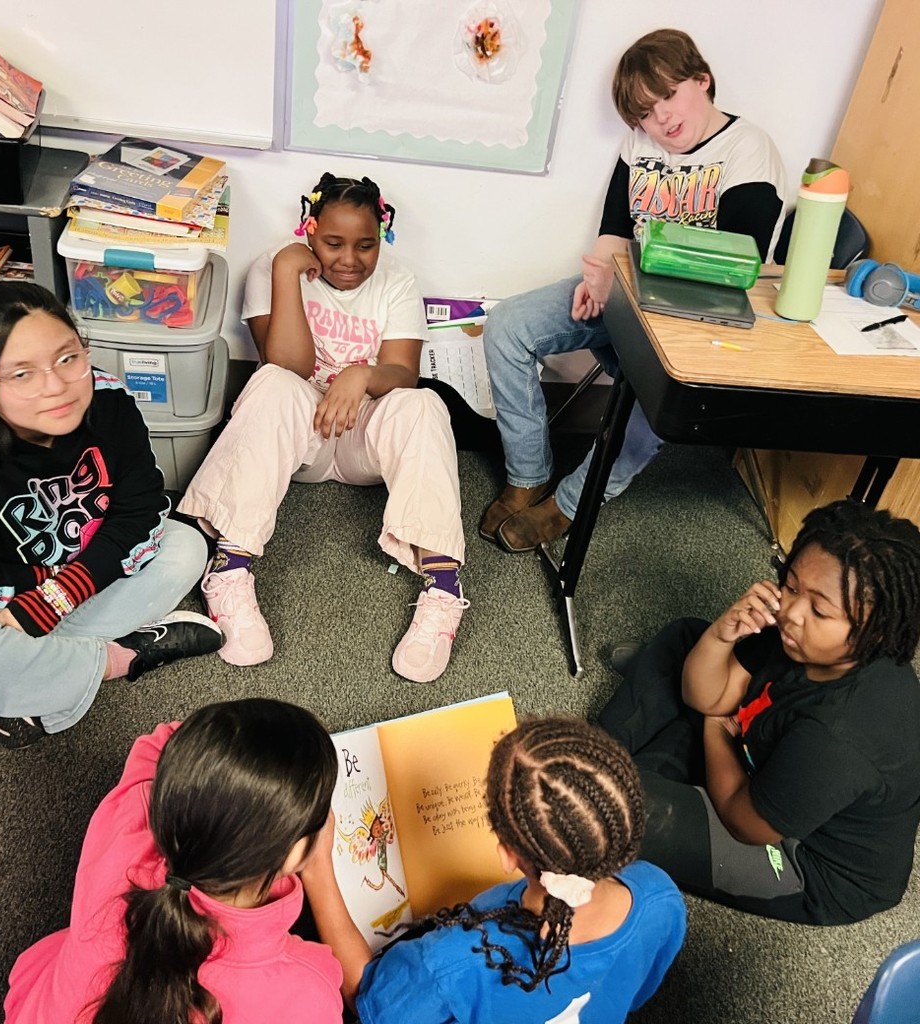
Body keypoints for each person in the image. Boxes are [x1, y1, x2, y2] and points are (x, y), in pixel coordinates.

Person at [481, 28, 787, 551]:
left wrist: (628, 272)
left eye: (667, 96)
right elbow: (615, 227)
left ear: (702, 81)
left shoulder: (748, 147)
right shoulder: (638, 145)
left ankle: (573, 502)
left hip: (694, 321)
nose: (660, 120)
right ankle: (527, 473)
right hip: (626, 296)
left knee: (660, 389)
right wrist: (598, 275)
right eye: (644, 113)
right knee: (507, 325)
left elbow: (740, 261)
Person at [0, 282, 222, 749]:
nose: (56, 387)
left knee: (186, 546)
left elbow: (142, 508)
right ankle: (121, 658)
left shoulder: (108, 399)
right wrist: (37, 595)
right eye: (21, 374)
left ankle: (29, 677)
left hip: (74, 578)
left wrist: (60, 595)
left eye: (68, 358)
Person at [178, 172, 469, 683]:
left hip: (362, 444)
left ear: (382, 240)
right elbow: (285, 363)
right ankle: (229, 571)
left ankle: (444, 590)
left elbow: (402, 373)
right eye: (333, 243)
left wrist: (360, 375)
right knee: (271, 383)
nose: (349, 260)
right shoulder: (274, 265)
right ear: (309, 230)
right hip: (299, 441)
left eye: (365, 245)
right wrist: (288, 272)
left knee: (423, 404)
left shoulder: (397, 280)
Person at [598, 499, 920, 925]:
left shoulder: (841, 736)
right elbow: (707, 697)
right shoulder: (805, 640)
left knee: (613, 806)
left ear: (875, 630)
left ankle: (615, 769)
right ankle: (607, 757)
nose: (790, 613)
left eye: (820, 610)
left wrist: (716, 732)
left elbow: (745, 822)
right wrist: (722, 632)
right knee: (690, 637)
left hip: (801, 857)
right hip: (758, 750)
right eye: (789, 585)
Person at [300, 715, 687, 1023]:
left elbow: (365, 998)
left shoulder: (449, 961)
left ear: (507, 854)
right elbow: (638, 993)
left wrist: (318, 868)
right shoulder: (659, 893)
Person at [3, 698, 344, 1024]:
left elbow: (163, 740)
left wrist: (233, 764)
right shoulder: (305, 986)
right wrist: (318, 867)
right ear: (292, 852)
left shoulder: (126, 828)